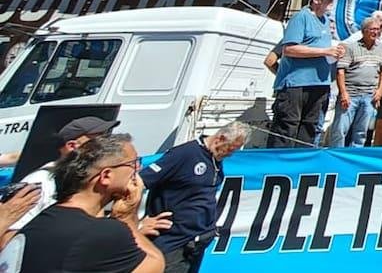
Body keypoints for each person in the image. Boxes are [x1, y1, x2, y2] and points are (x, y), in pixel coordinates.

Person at [20, 134, 166, 273]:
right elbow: (155, 265)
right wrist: (126, 217)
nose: (138, 169)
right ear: (106, 176)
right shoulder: (104, 231)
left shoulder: (44, 218)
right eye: (133, 164)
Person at [140, 123, 248, 273]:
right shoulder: (184, 154)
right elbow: (138, 182)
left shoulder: (215, 160)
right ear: (220, 138)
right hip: (172, 242)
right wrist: (137, 223)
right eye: (230, 149)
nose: (230, 154)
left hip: (197, 242)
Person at [10, 115, 119, 230]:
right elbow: (12, 233)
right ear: (72, 146)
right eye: (99, 141)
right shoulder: (41, 181)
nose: (105, 147)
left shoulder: (97, 179)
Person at [268, 0, 345, 148]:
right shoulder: (300, 17)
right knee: (287, 128)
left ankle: (301, 165)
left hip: (319, 84)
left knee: (310, 128)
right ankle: (276, 165)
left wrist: (335, 52)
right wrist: (324, 51)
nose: (331, 2)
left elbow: (322, 47)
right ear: (316, 0)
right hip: (296, 85)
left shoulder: (325, 20)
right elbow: (289, 49)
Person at [330, 16, 382, 147]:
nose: (376, 32)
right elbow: (340, 71)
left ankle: (354, 158)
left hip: (369, 96)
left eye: (378, 29)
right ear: (364, 31)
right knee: (340, 129)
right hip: (350, 95)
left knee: (361, 133)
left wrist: (380, 91)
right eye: (373, 29)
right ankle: (336, 156)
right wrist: (343, 93)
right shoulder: (351, 48)